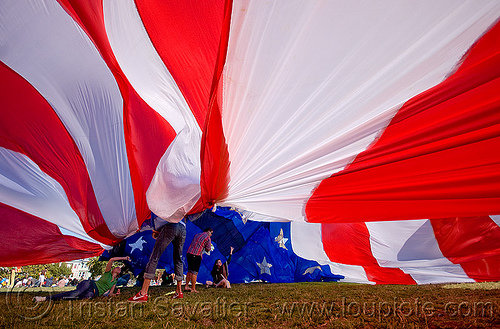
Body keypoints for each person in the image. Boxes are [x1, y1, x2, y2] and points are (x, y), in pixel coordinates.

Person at [128, 219, 186, 302]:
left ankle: (143, 293)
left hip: (170, 225)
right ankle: (179, 292)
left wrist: (156, 230)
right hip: (183, 227)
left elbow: (158, 217)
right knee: (178, 259)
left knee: (154, 257)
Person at [33, 256, 129, 302]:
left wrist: (116, 295)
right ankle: (45, 298)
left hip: (94, 293)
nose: (118, 268)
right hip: (90, 284)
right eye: (117, 267)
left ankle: (56, 298)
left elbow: (110, 294)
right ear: (112, 270)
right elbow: (111, 259)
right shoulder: (107, 273)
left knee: (76, 297)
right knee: (76, 293)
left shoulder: (115, 282)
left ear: (119, 273)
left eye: (120, 268)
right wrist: (124, 258)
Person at [184, 227, 213, 293]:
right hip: (196, 255)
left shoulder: (197, 235)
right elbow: (208, 249)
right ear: (208, 231)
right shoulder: (207, 238)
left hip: (189, 253)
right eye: (211, 233)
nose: (211, 235)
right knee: (194, 272)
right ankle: (193, 288)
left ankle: (186, 286)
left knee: (189, 270)